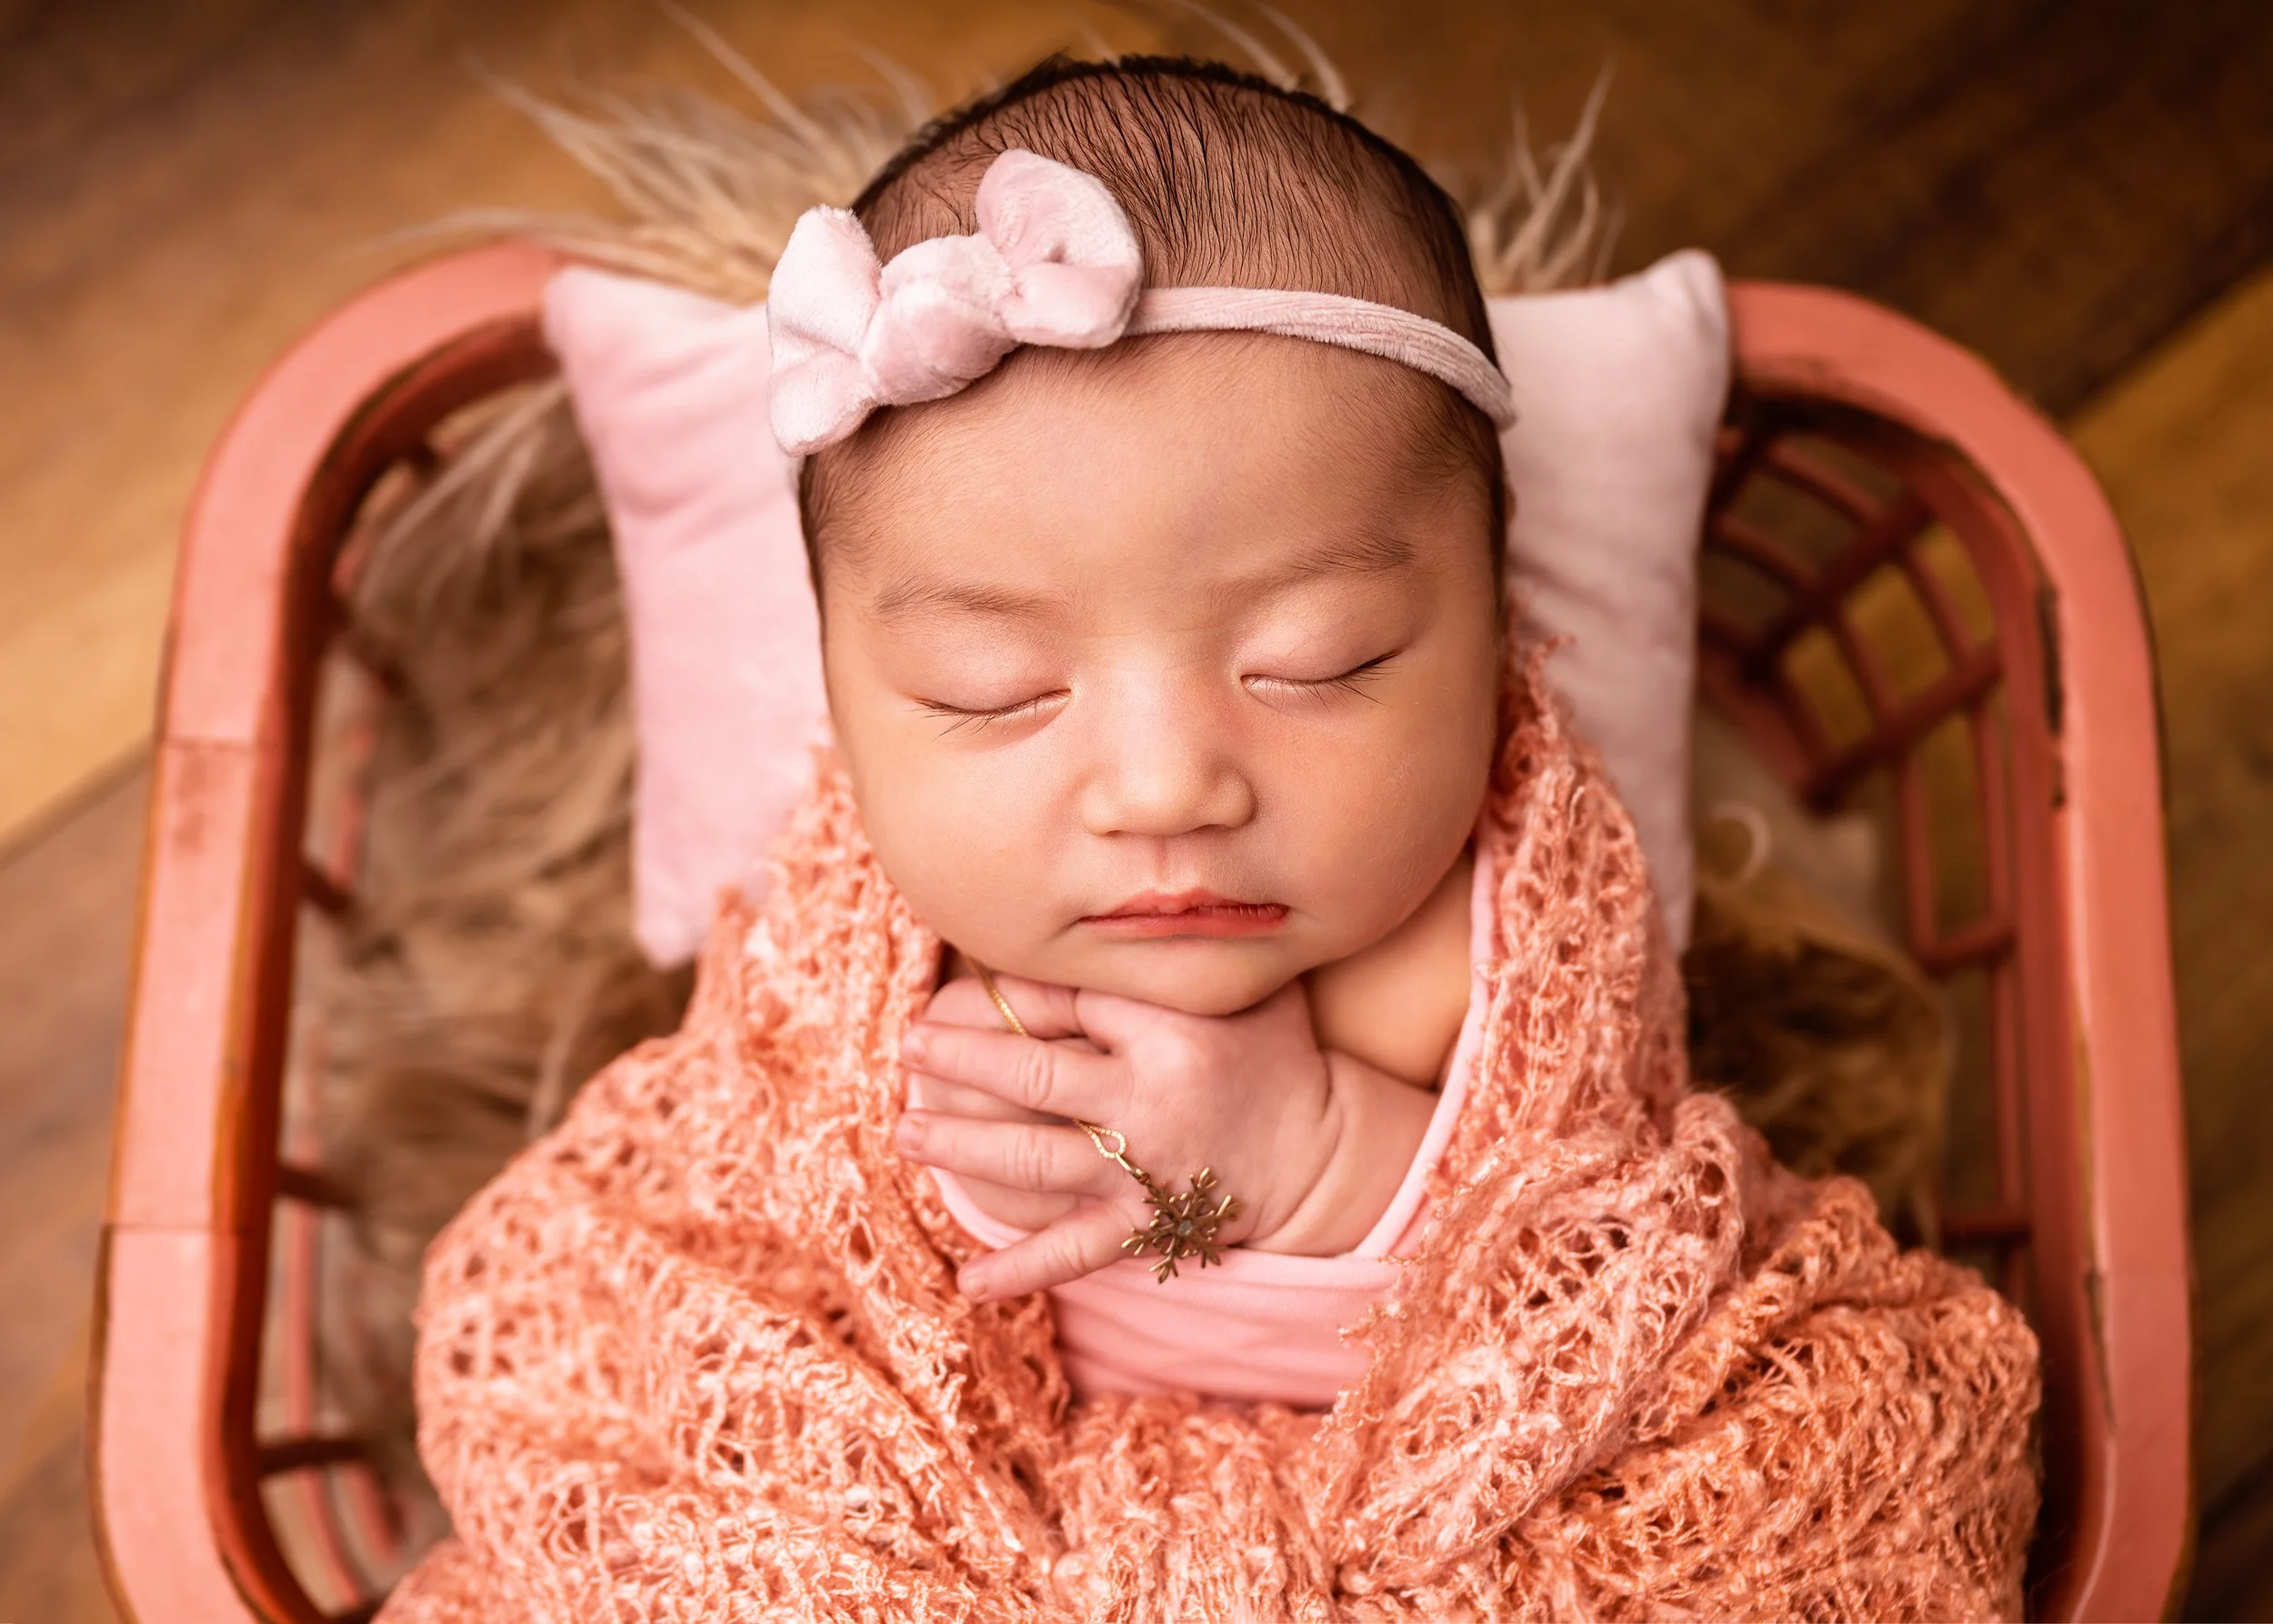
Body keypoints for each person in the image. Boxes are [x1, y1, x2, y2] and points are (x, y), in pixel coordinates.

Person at [382, 55, 2039, 1620]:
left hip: (1474, 1529)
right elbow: (702, 1257)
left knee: (1853, 1435)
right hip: (908, 1524)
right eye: (993, 687)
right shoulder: (859, 962)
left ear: (1494, 616)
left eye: (1318, 662)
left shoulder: (1481, 951)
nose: (1167, 783)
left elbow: (1635, 1269)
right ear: (842, 687)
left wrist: (1321, 1152)